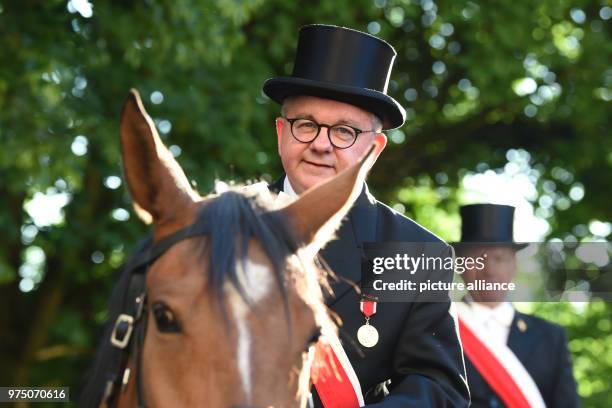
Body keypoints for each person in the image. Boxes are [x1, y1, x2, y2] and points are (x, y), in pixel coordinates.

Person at [263, 24, 470, 407]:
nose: (321, 144)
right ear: (281, 134)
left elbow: (441, 389)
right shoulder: (217, 225)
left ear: (374, 149)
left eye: (343, 131)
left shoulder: (418, 254)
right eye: (306, 125)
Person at [455, 203, 581, 408]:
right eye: (479, 259)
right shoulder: (436, 328)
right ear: (461, 265)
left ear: (514, 265)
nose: (489, 270)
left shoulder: (550, 338)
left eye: (499, 259)